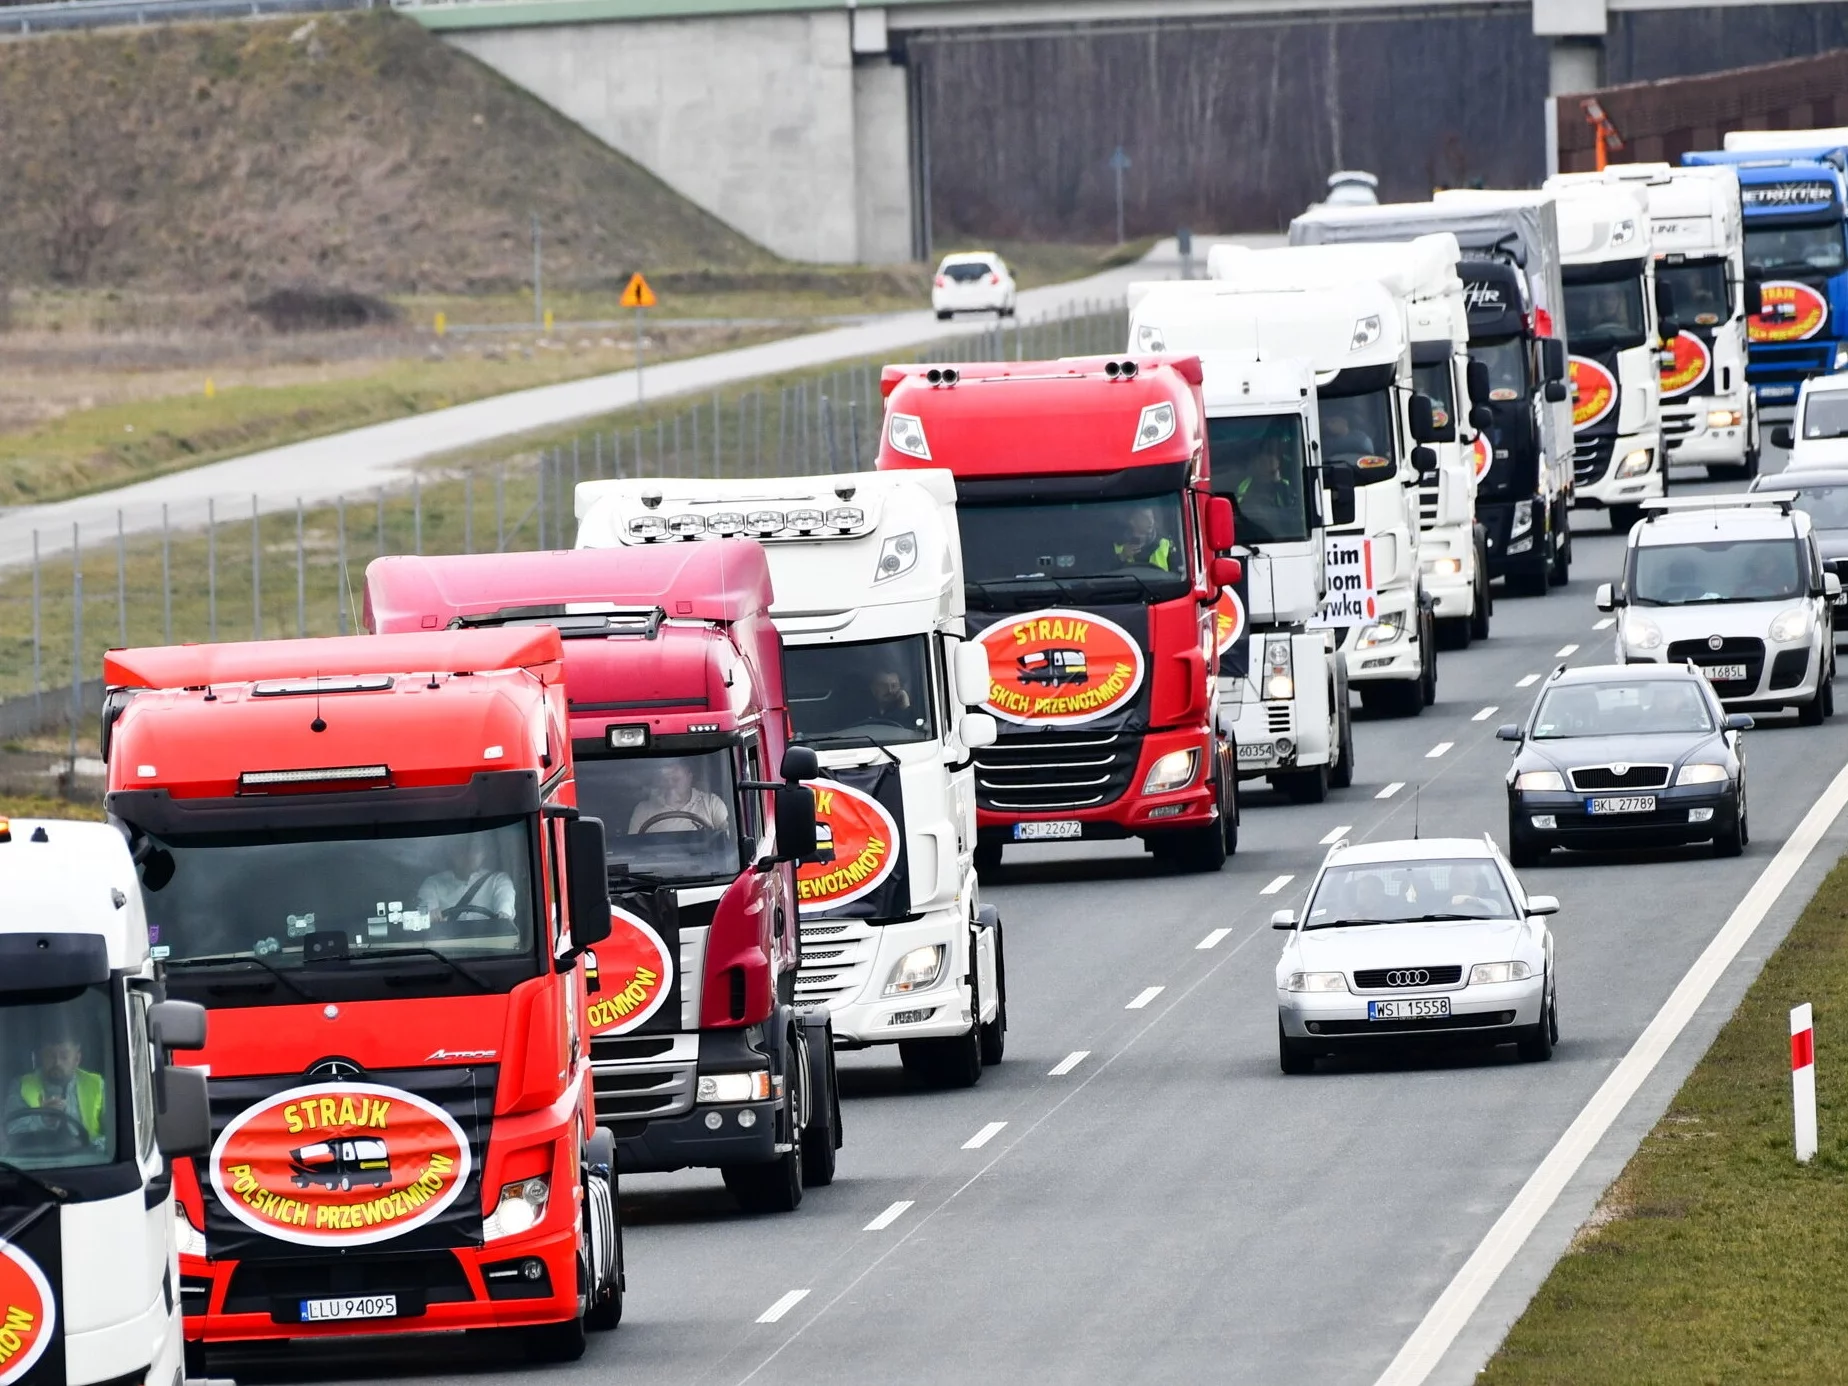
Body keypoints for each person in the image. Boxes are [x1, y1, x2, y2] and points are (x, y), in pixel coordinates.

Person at [9, 1023, 104, 1146]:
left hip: (92, 1162)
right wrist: (43, 1120)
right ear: (41, 1057)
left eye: (64, 1056)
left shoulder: (96, 1085)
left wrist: (93, 1148)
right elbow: (9, 1132)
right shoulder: (21, 1086)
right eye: (50, 1055)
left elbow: (113, 1136)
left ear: (77, 1059)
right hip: (36, 1161)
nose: (57, 1062)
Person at [416, 833, 517, 923]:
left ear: (484, 852)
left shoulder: (499, 880)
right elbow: (426, 914)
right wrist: (430, 916)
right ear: (451, 852)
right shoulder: (432, 883)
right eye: (461, 847)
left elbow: (504, 912)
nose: (468, 854)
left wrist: (503, 916)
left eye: (475, 847)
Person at [627, 760, 730, 835]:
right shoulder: (643, 810)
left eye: (675, 780)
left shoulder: (711, 804)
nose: (671, 785)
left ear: (690, 776)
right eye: (666, 780)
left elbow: (728, 836)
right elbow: (632, 848)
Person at [1235, 435, 1299, 538]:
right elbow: (1238, 507)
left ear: (1278, 463)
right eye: (1261, 460)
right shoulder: (1244, 484)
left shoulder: (1284, 484)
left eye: (1270, 460)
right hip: (1250, 529)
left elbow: (1291, 509)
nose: (1265, 463)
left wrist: (1277, 482)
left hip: (1281, 534)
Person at [1113, 506, 1175, 571]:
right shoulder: (1118, 546)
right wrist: (1122, 556)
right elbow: (1106, 572)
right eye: (1145, 518)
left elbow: (1177, 573)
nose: (1151, 521)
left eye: (1152, 517)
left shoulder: (1164, 543)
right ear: (1132, 521)